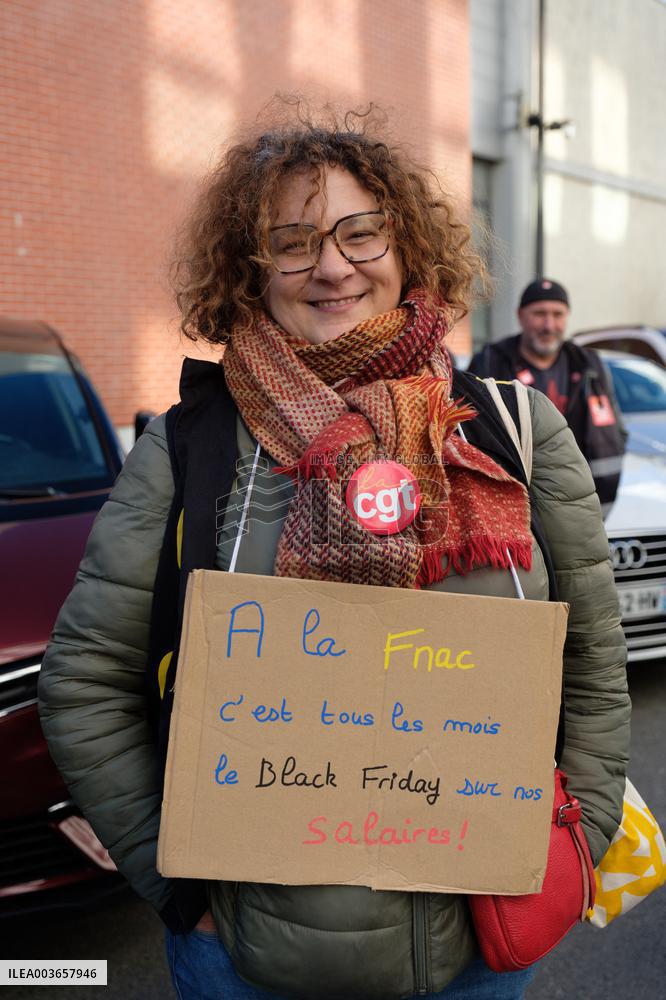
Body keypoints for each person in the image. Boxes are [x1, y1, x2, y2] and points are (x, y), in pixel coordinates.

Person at [38, 107, 630, 1000]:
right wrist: (176, 880)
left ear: (408, 247)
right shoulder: (193, 445)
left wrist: (581, 839)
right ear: (250, 266)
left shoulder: (516, 430)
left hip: (477, 951)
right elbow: (85, 675)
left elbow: (590, 659)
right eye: (293, 240)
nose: (331, 265)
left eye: (361, 232)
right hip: (247, 961)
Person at [467, 278, 626, 513]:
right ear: (520, 316)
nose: (549, 325)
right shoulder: (491, 361)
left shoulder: (586, 365)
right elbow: (469, 434)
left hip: (579, 500)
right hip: (515, 503)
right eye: (539, 314)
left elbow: (614, 431)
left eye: (557, 314)